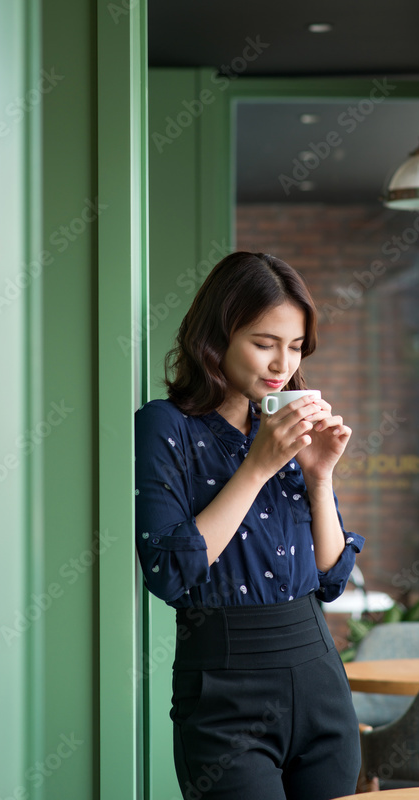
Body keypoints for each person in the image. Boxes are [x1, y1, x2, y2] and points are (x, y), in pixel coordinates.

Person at [135, 251, 364, 800]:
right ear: (216, 338)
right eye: (264, 343)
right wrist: (258, 464)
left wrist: (319, 477)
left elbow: (330, 580)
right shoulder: (164, 427)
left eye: (295, 346)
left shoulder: (287, 426)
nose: (281, 363)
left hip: (319, 679)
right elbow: (169, 572)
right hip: (223, 690)